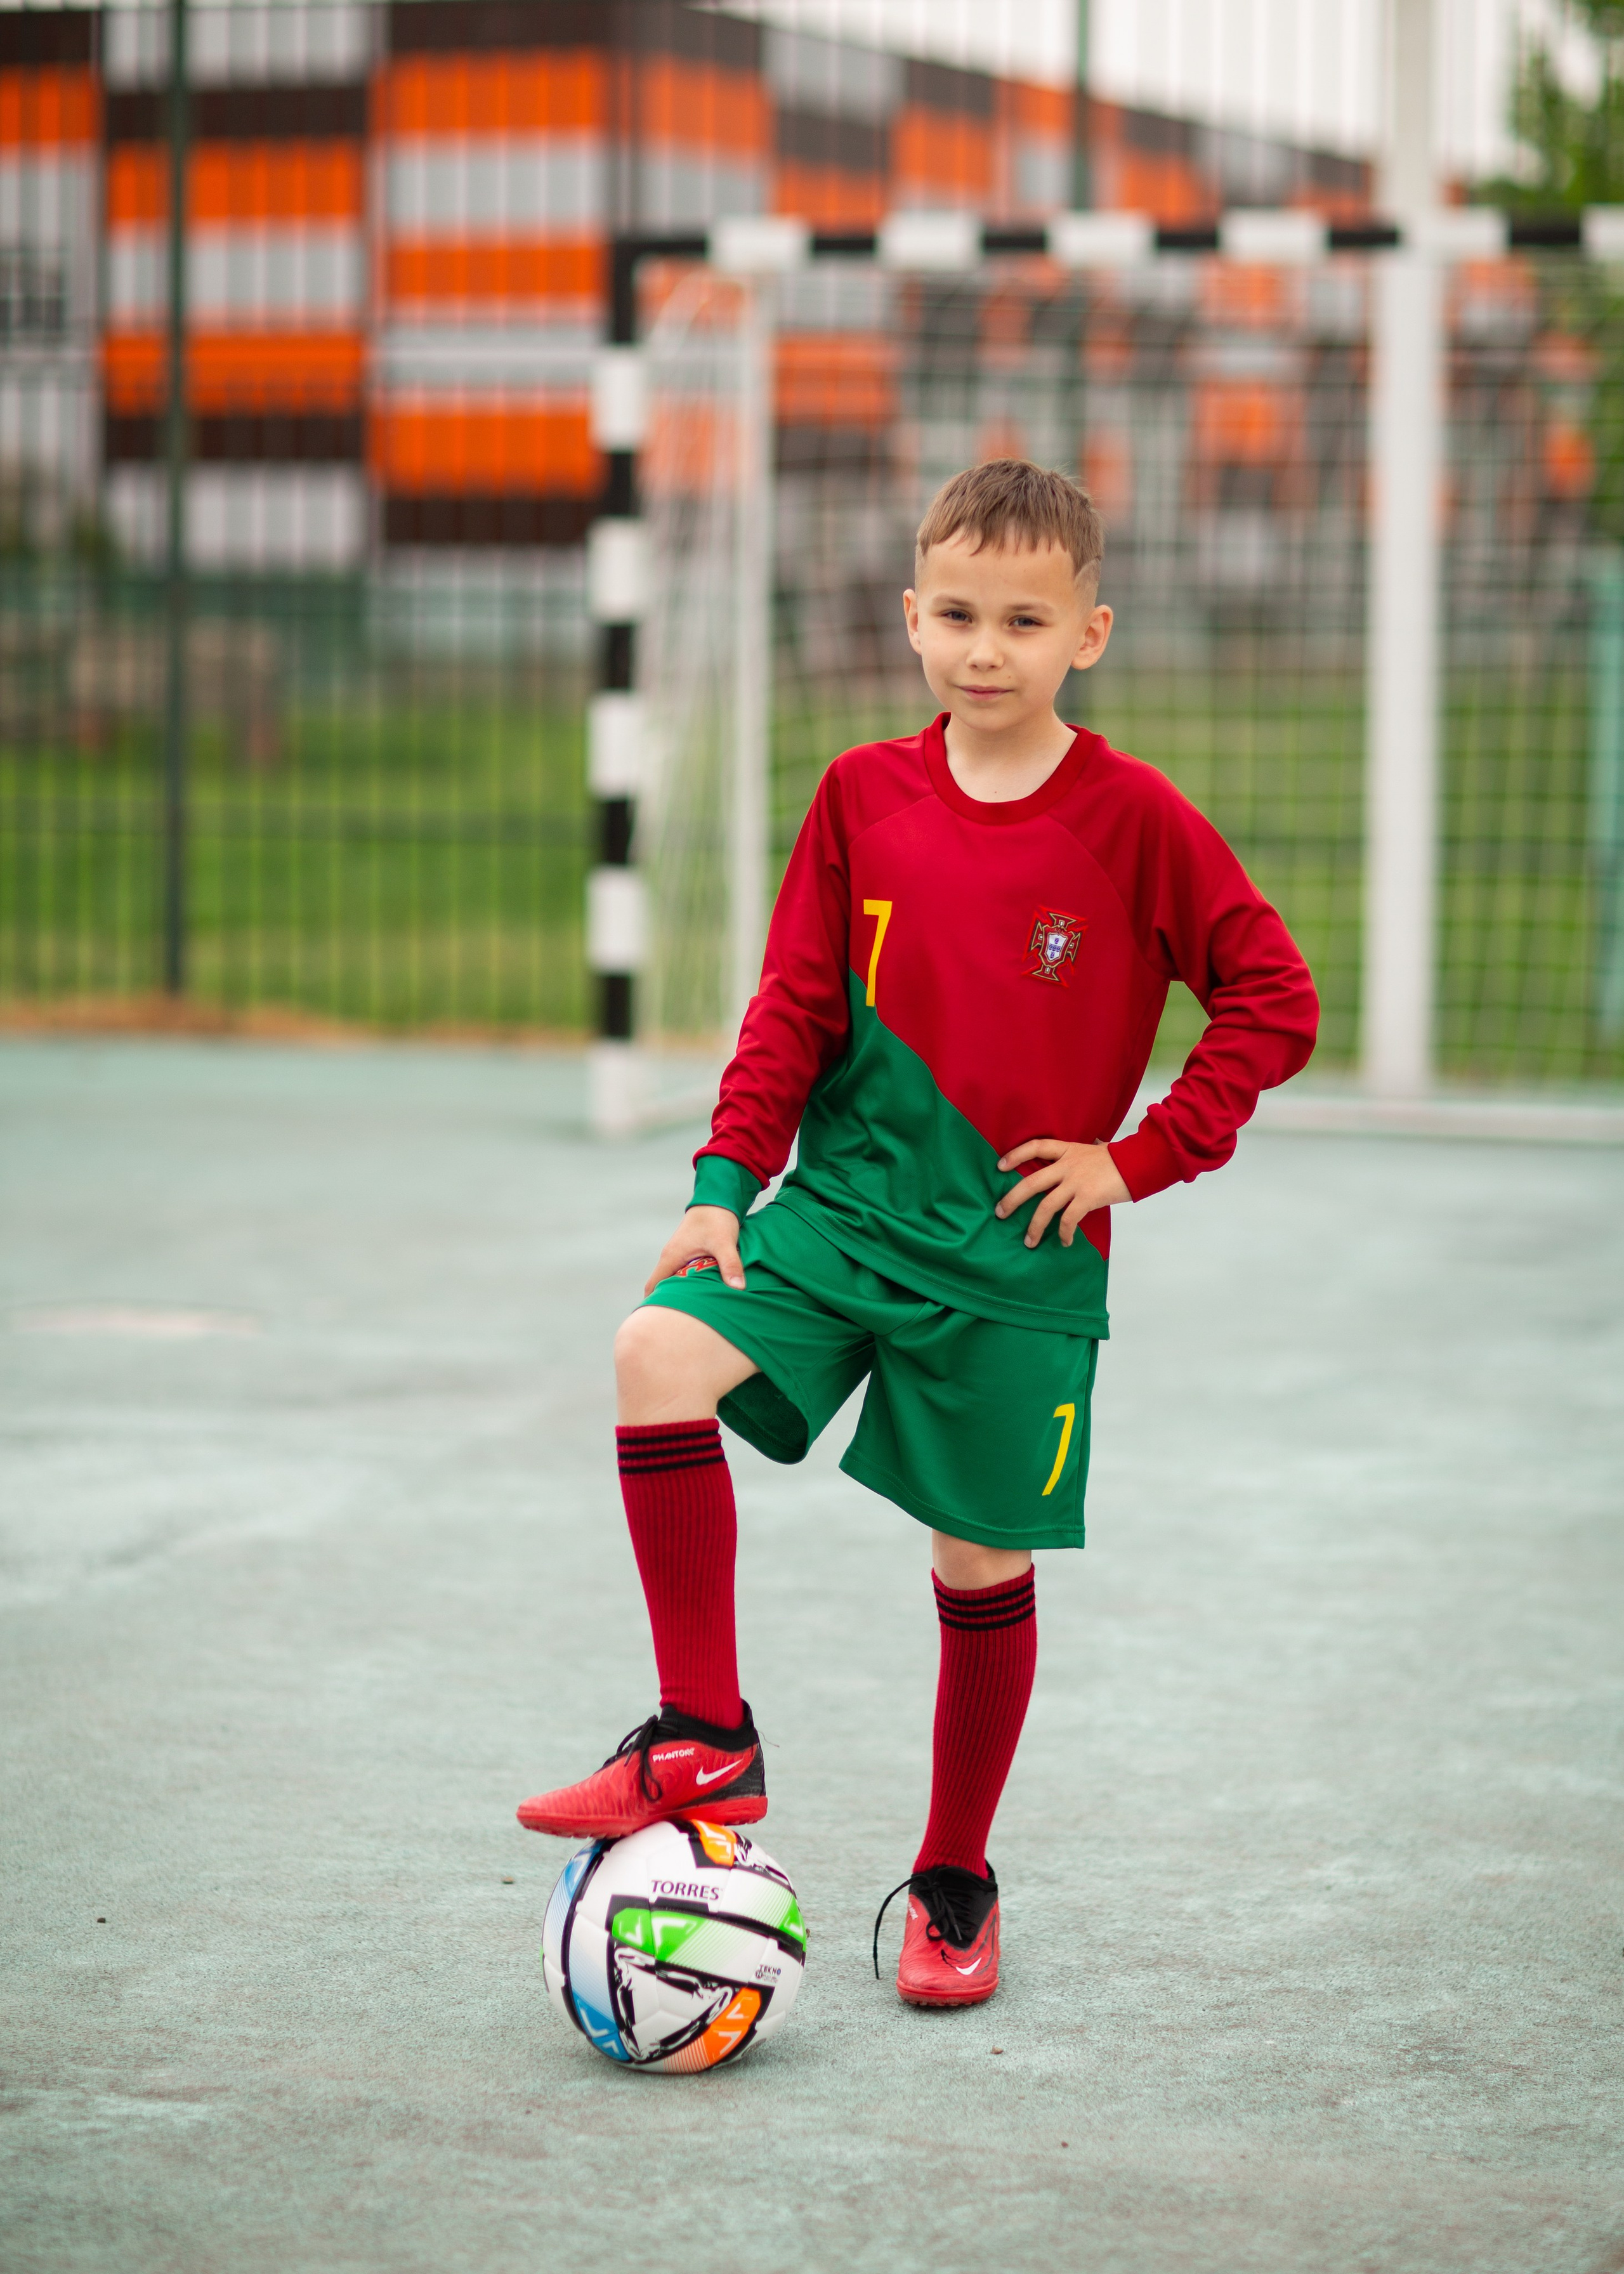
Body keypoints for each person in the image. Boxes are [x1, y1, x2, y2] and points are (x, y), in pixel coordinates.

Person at [518, 459, 1319, 2008]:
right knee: (653, 1349)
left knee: (978, 1555)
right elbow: (792, 1008)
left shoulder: (1135, 822)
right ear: (908, 617)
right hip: (841, 1210)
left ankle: (953, 1877)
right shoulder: (858, 795)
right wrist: (719, 1182)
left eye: (1023, 620)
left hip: (1014, 1260)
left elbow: (1272, 997)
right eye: (955, 614)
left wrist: (1140, 1156)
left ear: (1087, 631)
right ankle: (703, 1728)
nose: (984, 649)